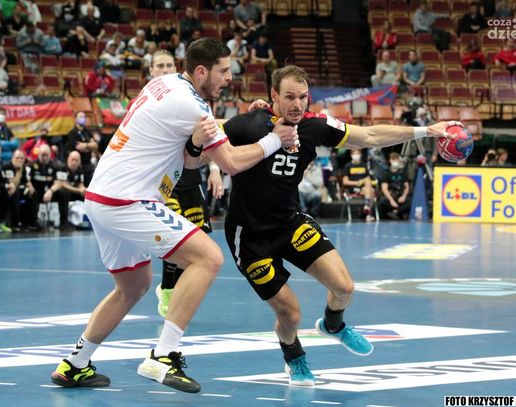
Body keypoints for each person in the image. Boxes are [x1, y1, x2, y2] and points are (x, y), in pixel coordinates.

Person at [50, 37, 298, 393]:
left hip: (102, 197)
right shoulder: (193, 106)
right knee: (208, 258)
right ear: (202, 71)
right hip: (128, 200)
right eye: (223, 71)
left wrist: (243, 123)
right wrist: (274, 138)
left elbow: (191, 156)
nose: (230, 78)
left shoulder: (165, 84)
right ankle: (163, 355)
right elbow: (230, 162)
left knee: (133, 286)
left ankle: (74, 363)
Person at [222, 65, 456, 386]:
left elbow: (369, 136)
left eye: (303, 97)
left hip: (289, 223)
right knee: (290, 314)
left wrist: (427, 131)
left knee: (344, 287)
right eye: (289, 97)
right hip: (249, 238)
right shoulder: (249, 124)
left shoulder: (315, 125)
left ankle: (333, 324)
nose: (297, 104)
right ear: (273, 95)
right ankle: (294, 357)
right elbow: (208, 140)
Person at [149, 50, 224, 318]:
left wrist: (214, 169)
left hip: (191, 177)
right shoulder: (149, 100)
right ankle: (169, 291)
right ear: (151, 71)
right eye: (160, 66)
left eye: (169, 65)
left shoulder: (192, 98)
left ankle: (172, 290)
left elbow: (209, 136)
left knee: (196, 239)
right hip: (164, 182)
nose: (165, 69)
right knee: (174, 239)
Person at [26, 144, 71, 231]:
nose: (44, 157)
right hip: (37, 192)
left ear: (50, 155)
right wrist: (30, 187)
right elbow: (27, 180)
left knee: (64, 192)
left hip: (50, 193)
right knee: (30, 193)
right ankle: (33, 224)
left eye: (46, 155)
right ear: (38, 154)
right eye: (42, 155)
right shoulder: (31, 165)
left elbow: (59, 182)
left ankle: (64, 223)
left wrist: (50, 191)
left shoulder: (56, 166)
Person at [342, 149, 375, 222]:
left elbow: (368, 178)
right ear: (351, 155)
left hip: (363, 189)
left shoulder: (364, 165)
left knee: (369, 186)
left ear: (360, 155)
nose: (356, 156)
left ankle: (367, 208)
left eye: (358, 154)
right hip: (353, 189)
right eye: (354, 154)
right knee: (371, 191)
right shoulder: (348, 166)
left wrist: (363, 181)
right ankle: (368, 213)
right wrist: (357, 183)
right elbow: (345, 182)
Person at [67, 111, 100, 184]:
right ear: (75, 119)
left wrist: (85, 145)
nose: (83, 118)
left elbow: (95, 146)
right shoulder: (72, 132)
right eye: (80, 117)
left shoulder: (87, 132)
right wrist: (90, 146)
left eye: (84, 117)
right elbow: (79, 147)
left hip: (88, 163)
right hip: (79, 165)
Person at [378, 152, 411, 220]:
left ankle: (396, 211)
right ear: (390, 161)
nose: (395, 162)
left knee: (411, 201)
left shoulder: (403, 173)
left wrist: (403, 196)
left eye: (397, 160)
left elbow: (407, 187)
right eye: (394, 160)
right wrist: (391, 200)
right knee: (382, 201)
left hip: (400, 197)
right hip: (390, 197)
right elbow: (384, 189)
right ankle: (395, 213)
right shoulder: (386, 173)